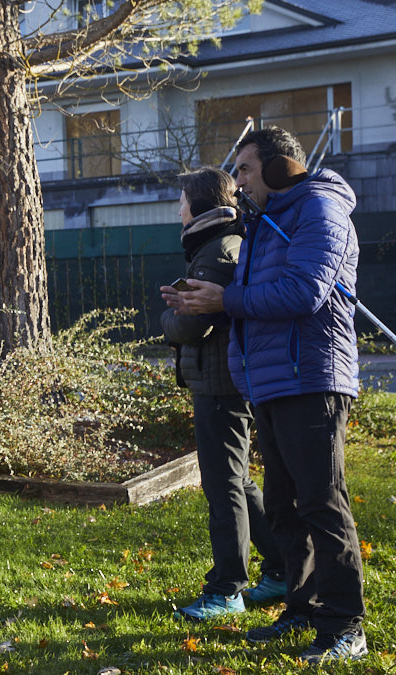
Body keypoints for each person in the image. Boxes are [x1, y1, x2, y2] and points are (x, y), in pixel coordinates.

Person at [164, 126, 366, 663]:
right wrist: (219, 300)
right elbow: (252, 294)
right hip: (271, 381)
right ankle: (302, 609)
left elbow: (304, 291)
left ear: (282, 170)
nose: (237, 183)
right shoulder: (262, 223)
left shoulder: (320, 213)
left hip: (312, 377)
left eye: (246, 170)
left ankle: (345, 624)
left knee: (323, 504)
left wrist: (224, 300)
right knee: (282, 505)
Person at [159, 168, 285, 622]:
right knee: (240, 482)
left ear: (201, 205)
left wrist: (166, 321)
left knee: (223, 486)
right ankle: (282, 568)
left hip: (220, 385)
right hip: (220, 382)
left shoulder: (218, 249)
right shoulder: (223, 244)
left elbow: (192, 323)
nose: (178, 210)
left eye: (182, 201)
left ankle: (227, 588)